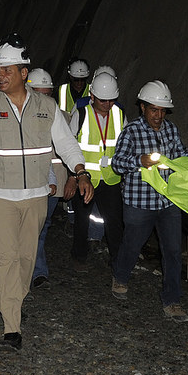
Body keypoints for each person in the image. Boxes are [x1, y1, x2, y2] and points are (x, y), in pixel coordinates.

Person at [0, 34, 93, 351]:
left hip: (36, 195)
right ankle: (12, 327)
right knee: (5, 258)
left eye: (7, 69)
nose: (1, 76)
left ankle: (15, 304)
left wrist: (81, 171)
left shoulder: (47, 107)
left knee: (25, 259)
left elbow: (66, 144)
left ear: (24, 73)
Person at [111, 80, 188, 323]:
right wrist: (139, 160)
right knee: (132, 244)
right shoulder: (131, 132)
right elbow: (117, 163)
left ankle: (172, 300)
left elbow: (181, 156)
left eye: (162, 110)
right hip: (139, 202)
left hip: (168, 202)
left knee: (172, 251)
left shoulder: (171, 130)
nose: (159, 116)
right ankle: (120, 276)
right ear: (142, 107)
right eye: (153, 110)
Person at [66, 72, 125, 272]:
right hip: (86, 179)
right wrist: (73, 177)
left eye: (111, 100)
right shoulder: (81, 114)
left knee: (115, 222)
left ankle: (118, 260)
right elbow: (69, 147)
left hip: (110, 179)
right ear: (92, 96)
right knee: (82, 220)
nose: (107, 104)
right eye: (103, 100)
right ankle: (79, 256)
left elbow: (125, 145)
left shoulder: (119, 115)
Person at [25, 68, 65, 289]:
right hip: (22, 183)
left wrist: (71, 178)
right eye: (40, 93)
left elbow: (67, 148)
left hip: (50, 183)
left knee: (42, 226)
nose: (44, 98)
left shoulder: (59, 115)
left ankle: (38, 272)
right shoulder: (16, 117)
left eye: (48, 94)